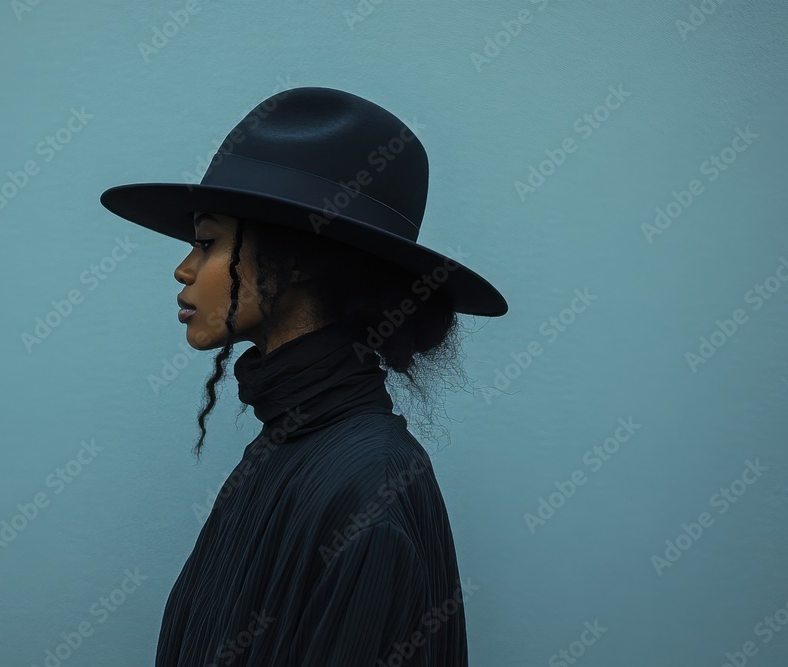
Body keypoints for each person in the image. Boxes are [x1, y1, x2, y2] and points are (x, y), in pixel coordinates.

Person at [99, 86, 508, 666]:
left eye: (208, 242)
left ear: (294, 261)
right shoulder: (286, 445)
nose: (184, 269)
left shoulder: (366, 485)